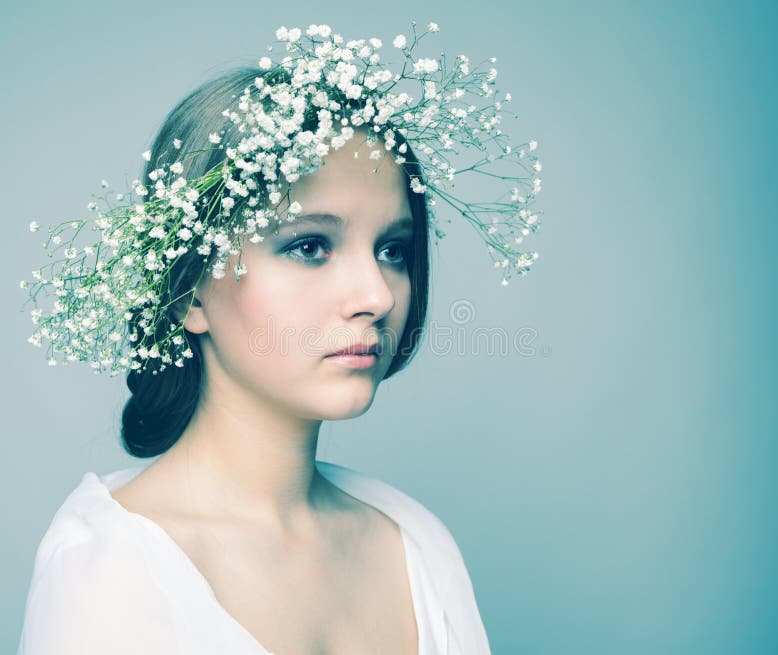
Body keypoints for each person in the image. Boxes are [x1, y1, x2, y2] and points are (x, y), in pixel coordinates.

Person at [18, 21, 543, 654]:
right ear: (188, 293)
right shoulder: (110, 567)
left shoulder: (413, 544)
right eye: (309, 246)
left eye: (393, 250)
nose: (377, 296)